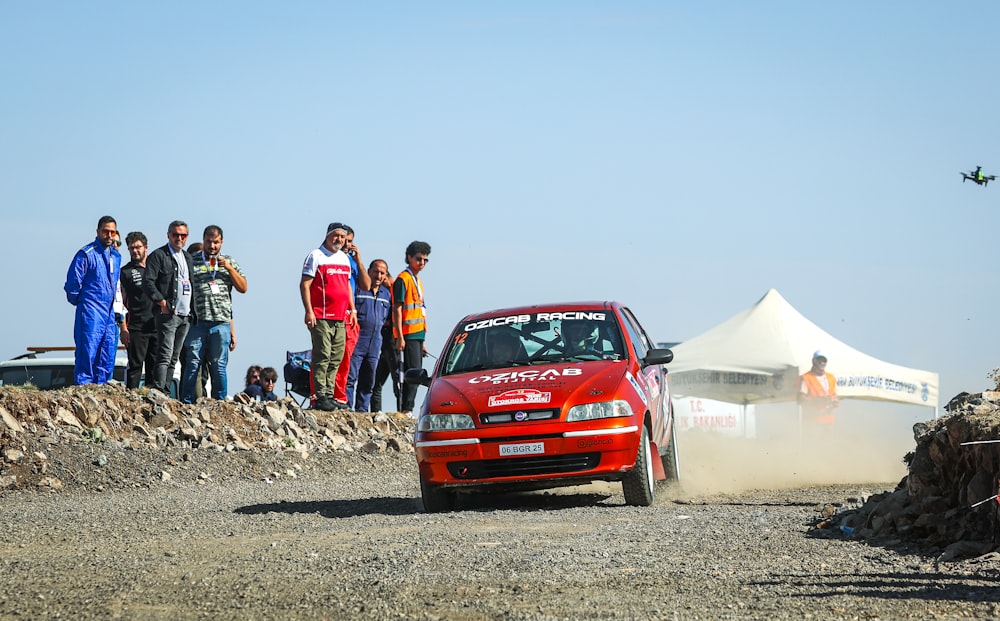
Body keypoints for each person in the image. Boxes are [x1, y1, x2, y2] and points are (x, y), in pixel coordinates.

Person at [180, 225, 247, 403]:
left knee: (219, 366)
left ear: (221, 242)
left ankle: (220, 402)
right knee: (192, 363)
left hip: (221, 322)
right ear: (203, 240)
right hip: (197, 322)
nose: (212, 246)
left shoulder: (229, 262)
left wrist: (230, 269)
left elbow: (243, 288)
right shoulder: (192, 261)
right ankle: (186, 401)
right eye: (209, 242)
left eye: (216, 242)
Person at [300, 222, 357, 411]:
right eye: (336, 236)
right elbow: (305, 284)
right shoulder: (316, 255)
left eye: (342, 236)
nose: (339, 239)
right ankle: (319, 394)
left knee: (336, 356)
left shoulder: (344, 258)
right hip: (321, 315)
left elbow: (347, 286)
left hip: (340, 316)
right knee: (322, 354)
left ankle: (330, 394)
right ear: (327, 236)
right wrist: (309, 311)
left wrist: (353, 309)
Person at [64, 215, 122, 385]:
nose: (109, 235)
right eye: (106, 231)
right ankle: (84, 386)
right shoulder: (86, 254)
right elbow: (73, 284)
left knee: (108, 350)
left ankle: (102, 388)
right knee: (88, 350)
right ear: (98, 232)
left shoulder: (116, 257)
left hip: (109, 311)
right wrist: (83, 302)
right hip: (91, 309)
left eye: (112, 232)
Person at [144, 220, 196, 394]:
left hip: (185, 314)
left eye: (183, 235)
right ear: (168, 235)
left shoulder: (187, 257)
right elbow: (148, 282)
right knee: (165, 354)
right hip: (168, 314)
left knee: (175, 357)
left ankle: (166, 389)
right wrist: (161, 302)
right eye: (175, 235)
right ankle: (158, 389)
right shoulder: (159, 255)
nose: (179, 238)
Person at [332, 224, 372, 408]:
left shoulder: (352, 262)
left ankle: (342, 398)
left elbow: (366, 285)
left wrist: (360, 260)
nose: (347, 244)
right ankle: (329, 395)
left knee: (346, 358)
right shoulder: (329, 258)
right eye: (345, 240)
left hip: (350, 315)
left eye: (350, 241)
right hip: (334, 313)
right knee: (332, 356)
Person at [347, 259, 392, 412]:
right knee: (351, 377)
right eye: (375, 271)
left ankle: (362, 411)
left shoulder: (386, 294)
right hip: (358, 341)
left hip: (375, 345)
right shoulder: (360, 289)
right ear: (369, 271)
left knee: (368, 380)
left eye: (382, 273)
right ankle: (346, 407)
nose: (378, 276)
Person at [393, 241, 431, 416]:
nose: (422, 263)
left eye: (425, 260)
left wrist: (423, 340)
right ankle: (407, 407)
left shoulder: (418, 280)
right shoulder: (403, 279)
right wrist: (399, 336)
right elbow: (398, 309)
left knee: (417, 372)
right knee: (412, 373)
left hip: (418, 333)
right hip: (407, 334)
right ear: (409, 257)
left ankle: (409, 407)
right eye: (419, 259)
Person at [118, 231, 158, 389]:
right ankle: (131, 399)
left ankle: (152, 402)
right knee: (135, 367)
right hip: (136, 328)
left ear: (146, 247)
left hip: (156, 326)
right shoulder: (126, 272)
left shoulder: (156, 268)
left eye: (138, 247)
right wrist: (123, 328)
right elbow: (120, 301)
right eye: (131, 248)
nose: (135, 251)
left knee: (154, 368)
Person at [799, 350, 839, 427]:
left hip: (828, 420)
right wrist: (817, 401)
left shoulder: (831, 377)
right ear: (814, 361)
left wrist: (835, 401)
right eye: (819, 360)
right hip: (812, 421)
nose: (822, 362)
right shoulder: (806, 377)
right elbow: (801, 399)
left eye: (824, 360)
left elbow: (835, 396)